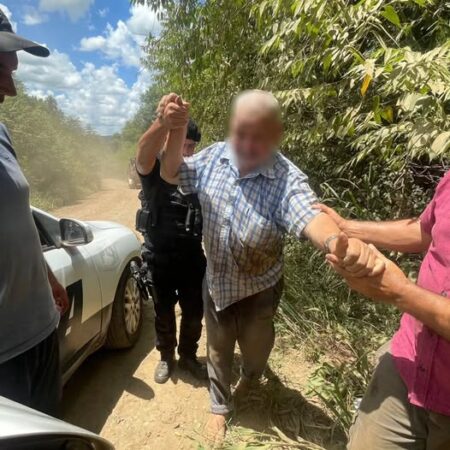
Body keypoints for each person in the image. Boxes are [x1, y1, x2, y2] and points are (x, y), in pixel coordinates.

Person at [158, 89, 385, 440]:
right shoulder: (214, 158)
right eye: (242, 132)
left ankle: (250, 377)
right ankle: (219, 406)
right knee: (217, 346)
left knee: (256, 346)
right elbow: (172, 170)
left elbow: (308, 213)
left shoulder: (284, 178)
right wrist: (176, 129)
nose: (248, 144)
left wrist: (336, 242)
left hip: (260, 287)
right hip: (218, 280)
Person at [317, 171, 450, 450]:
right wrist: (348, 227)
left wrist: (401, 292)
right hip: (409, 361)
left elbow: (401, 292)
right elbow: (427, 229)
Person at [0, 9, 69, 416]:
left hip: (40, 330)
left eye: (12, 70)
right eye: (1, 69)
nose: (11, 88)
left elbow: (18, 216)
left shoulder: (2, 132)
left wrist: (48, 276)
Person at [135, 94, 207, 384]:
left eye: (191, 146)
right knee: (163, 313)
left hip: (191, 256)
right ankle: (166, 356)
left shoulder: (197, 173)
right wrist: (165, 123)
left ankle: (188, 356)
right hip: (159, 258)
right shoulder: (152, 170)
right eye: (183, 143)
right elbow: (142, 152)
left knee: (194, 312)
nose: (187, 151)